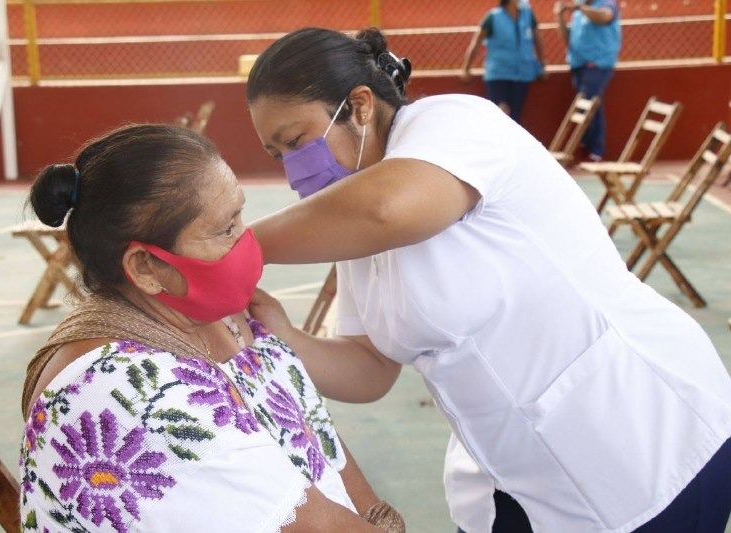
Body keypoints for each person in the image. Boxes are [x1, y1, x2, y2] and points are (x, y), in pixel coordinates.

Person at [244, 26, 731, 533]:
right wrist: (286, 338)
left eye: (296, 141)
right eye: (277, 155)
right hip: (520, 477)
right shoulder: (350, 211)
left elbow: (387, 210)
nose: (292, 167)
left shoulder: (452, 122)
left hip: (645, 441)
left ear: (361, 105)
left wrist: (233, 253)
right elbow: (370, 366)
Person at [18, 124, 405, 532]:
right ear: (146, 268)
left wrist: (381, 519)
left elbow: (315, 439)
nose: (248, 241)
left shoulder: (218, 317)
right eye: (225, 229)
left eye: (240, 215)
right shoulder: (127, 392)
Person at [554, 0, 621, 162]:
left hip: (598, 63)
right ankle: (586, 145)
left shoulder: (606, 4)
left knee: (590, 102)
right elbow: (569, 38)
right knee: (585, 104)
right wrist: (560, 18)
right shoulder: (579, 9)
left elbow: (604, 17)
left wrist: (581, 8)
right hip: (579, 64)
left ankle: (595, 149)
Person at [460, 0, 546, 123]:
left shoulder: (528, 15)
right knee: (500, 113)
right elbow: (476, 43)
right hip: (498, 74)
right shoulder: (493, 17)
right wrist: (466, 68)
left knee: (515, 116)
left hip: (522, 74)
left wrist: (541, 65)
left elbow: (538, 40)